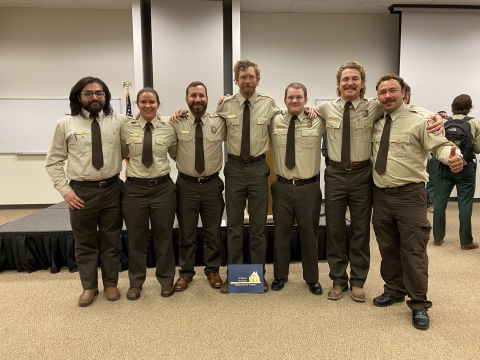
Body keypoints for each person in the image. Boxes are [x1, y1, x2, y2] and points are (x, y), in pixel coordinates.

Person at [312, 61, 444, 303]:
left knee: (361, 230)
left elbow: (407, 110)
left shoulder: (375, 107)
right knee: (334, 229)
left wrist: (435, 116)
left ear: (362, 84)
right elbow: (301, 112)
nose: (349, 83)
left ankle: (358, 281)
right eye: (345, 79)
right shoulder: (325, 109)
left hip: (364, 175)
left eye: (355, 79)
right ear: (338, 84)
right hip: (335, 175)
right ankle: (338, 279)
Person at [371, 73, 463, 330]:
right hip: (380, 195)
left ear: (404, 94)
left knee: (413, 250)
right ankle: (394, 289)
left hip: (410, 196)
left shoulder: (422, 120)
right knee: (387, 247)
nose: (387, 96)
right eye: (382, 92)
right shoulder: (376, 119)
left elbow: (440, 146)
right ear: (377, 96)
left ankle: (419, 304)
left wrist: (452, 157)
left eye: (393, 91)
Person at [46, 76, 126, 307]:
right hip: (81, 191)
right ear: (78, 97)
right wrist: (65, 191)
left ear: (106, 96)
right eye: (89, 93)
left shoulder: (118, 121)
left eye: (99, 93)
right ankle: (89, 286)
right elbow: (53, 162)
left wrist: (176, 115)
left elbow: (148, 119)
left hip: (112, 188)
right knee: (84, 242)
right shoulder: (65, 125)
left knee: (112, 240)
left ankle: (111, 284)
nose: (94, 97)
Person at [215, 59, 279, 293]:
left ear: (257, 79)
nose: (247, 81)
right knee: (233, 226)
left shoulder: (269, 104)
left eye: (251, 77)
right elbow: (209, 126)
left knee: (258, 226)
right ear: (236, 80)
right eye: (243, 77)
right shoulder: (226, 105)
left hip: (258, 169)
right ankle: (234, 273)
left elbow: (287, 120)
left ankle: (257, 274)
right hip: (234, 168)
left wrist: (309, 110)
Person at [121, 87, 177, 299]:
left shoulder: (168, 128)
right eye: (143, 102)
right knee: (136, 238)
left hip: (162, 188)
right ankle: (136, 282)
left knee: (164, 238)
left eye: (152, 102)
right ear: (137, 104)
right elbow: (122, 152)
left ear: (158, 105)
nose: (148, 106)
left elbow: (175, 153)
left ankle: (166, 280)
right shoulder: (126, 128)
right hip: (135, 190)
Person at [170, 82, 226, 291]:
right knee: (186, 233)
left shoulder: (219, 122)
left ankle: (213, 270)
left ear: (207, 98)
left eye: (201, 95)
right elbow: (170, 145)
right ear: (186, 99)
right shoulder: (176, 121)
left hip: (212, 184)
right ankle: (185, 273)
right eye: (193, 95)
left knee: (213, 232)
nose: (198, 99)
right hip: (186, 185)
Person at [269, 83, 324, 295]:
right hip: (282, 186)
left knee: (309, 235)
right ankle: (280, 276)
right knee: (281, 234)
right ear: (284, 100)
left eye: (299, 97)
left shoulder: (317, 120)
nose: (294, 101)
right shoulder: (275, 120)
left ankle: (312, 278)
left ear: (305, 100)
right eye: (290, 97)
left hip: (308, 188)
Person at [433, 94, 480, 250]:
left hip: (444, 167)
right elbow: (478, 148)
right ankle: (466, 242)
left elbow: (436, 145)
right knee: (465, 204)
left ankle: (438, 238)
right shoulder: (474, 123)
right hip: (466, 167)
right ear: (470, 107)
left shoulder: (444, 122)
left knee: (440, 202)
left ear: (452, 106)